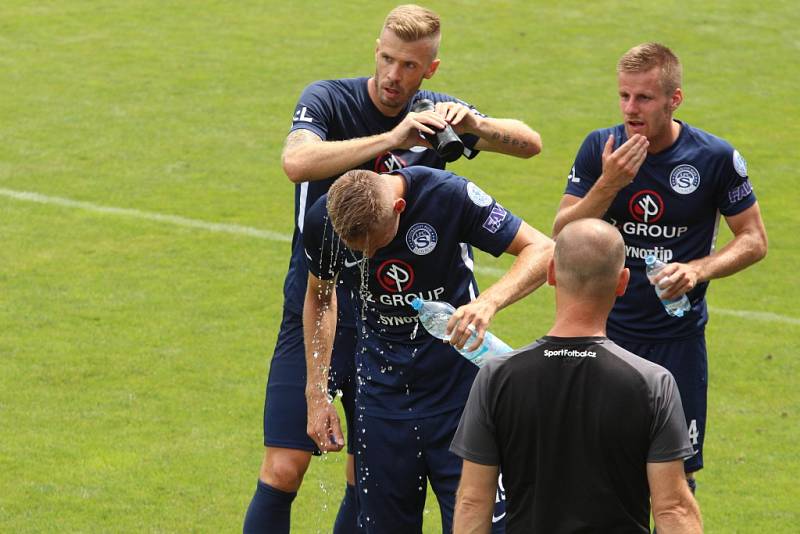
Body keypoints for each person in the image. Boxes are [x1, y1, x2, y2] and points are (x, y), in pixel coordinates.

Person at [244, 4, 543, 533]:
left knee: (370, 478)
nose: (392, 75)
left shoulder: (437, 112)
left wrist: (476, 125)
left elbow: (530, 144)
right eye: (386, 58)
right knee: (286, 464)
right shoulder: (329, 99)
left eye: (409, 65)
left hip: (402, 326)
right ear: (375, 50)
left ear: (430, 68)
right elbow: (296, 162)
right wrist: (392, 138)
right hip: (323, 305)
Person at [551, 43, 768, 490]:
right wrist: (608, 184)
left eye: (644, 98)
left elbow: (753, 239)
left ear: (675, 99)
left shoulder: (714, 158)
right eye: (624, 96)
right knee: (600, 472)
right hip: (605, 336)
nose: (631, 109)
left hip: (677, 344)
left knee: (676, 479)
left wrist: (698, 270)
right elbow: (563, 233)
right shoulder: (600, 148)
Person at [302, 167, 553, 533]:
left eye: (376, 244)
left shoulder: (449, 195)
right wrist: (316, 393)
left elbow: (542, 248)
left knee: (481, 527)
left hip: (462, 399)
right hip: (380, 400)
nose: (369, 257)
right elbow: (321, 298)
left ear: (399, 207)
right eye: (359, 251)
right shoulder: (324, 220)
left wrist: (488, 303)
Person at [450, 218, 704, 533]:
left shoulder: (497, 377)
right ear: (623, 282)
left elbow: (472, 502)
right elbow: (673, 509)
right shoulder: (652, 383)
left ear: (551, 273)